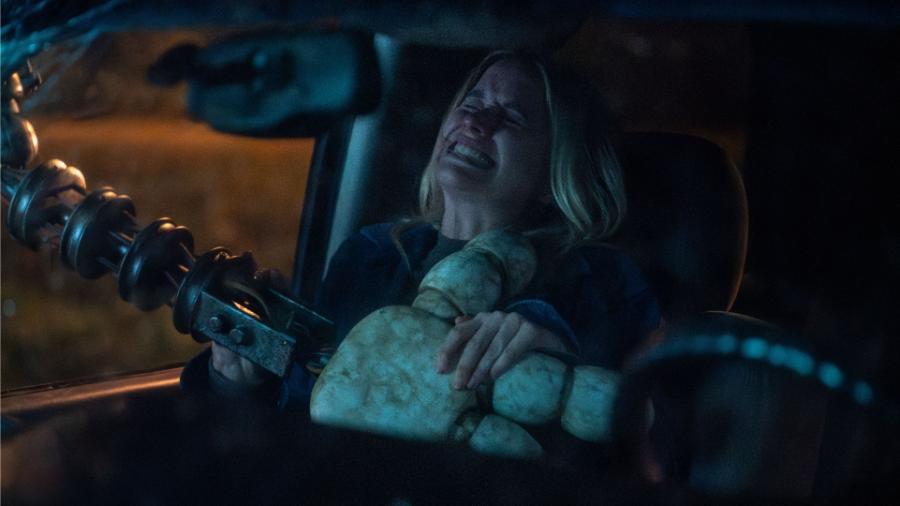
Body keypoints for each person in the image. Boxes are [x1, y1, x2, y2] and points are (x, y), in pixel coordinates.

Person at [181, 50, 663, 415]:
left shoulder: (599, 277)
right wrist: (238, 380)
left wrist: (556, 347)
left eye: (512, 117)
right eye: (472, 102)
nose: (476, 121)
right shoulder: (369, 255)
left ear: (553, 174)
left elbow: (644, 409)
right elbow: (310, 407)